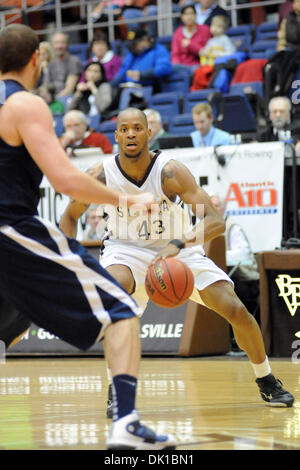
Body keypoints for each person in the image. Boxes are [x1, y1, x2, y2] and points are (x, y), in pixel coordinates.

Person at [0, 23, 176, 451]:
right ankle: (127, 424)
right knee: (121, 309)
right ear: (37, 60)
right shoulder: (24, 103)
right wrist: (127, 202)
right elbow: (66, 180)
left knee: (6, 328)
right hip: (11, 228)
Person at [60, 106, 295, 419]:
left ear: (149, 132)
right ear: (116, 135)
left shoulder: (170, 171)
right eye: (125, 129)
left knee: (237, 310)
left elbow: (214, 221)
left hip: (178, 251)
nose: (131, 134)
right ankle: (118, 388)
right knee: (115, 294)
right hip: (125, 249)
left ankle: (265, 378)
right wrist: (71, 260)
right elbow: (69, 216)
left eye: (137, 128)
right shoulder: (100, 175)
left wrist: (178, 244)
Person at [110, 28, 173, 93]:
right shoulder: (132, 54)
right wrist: (110, 85)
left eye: (135, 44)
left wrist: (142, 75)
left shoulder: (158, 50)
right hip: (129, 88)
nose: (133, 47)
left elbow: (165, 68)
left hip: (150, 88)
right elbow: (122, 72)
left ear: (145, 40)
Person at [171, 5, 211, 72]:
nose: (189, 17)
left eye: (191, 13)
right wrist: (176, 65)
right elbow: (175, 54)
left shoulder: (205, 30)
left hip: (198, 65)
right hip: (181, 66)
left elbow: (205, 52)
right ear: (182, 17)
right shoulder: (178, 32)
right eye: (186, 14)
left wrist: (190, 45)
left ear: (195, 15)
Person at [48, 32, 83, 98]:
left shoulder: (74, 61)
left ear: (67, 44)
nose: (59, 46)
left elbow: (69, 90)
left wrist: (53, 101)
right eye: (56, 43)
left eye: (62, 43)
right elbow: (46, 85)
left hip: (68, 99)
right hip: (52, 99)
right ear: (52, 45)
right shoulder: (51, 63)